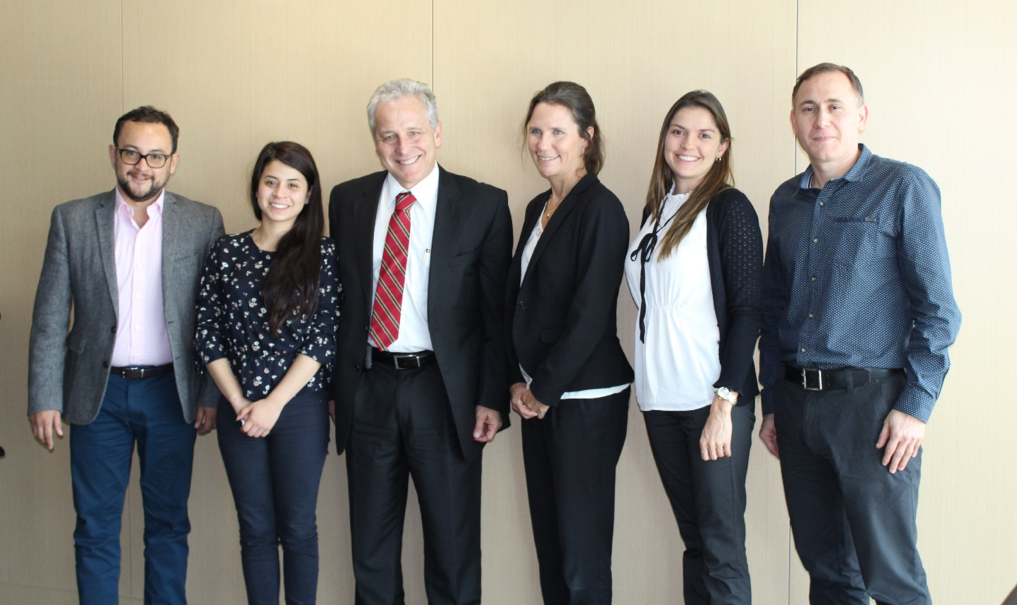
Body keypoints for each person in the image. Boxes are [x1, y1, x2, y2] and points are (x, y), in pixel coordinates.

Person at [758, 63, 962, 604]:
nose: (820, 119)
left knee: (890, 576)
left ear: (861, 117)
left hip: (873, 410)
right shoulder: (784, 201)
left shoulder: (903, 186)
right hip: (798, 408)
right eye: (808, 108)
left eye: (834, 106)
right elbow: (773, 307)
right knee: (827, 574)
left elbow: (939, 310)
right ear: (794, 122)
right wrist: (772, 404)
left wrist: (916, 406)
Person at [27, 106, 224, 604]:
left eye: (155, 155)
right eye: (132, 152)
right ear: (114, 154)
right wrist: (44, 396)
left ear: (172, 162)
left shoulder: (203, 222)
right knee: (94, 528)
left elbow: (212, 320)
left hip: (170, 395)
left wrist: (209, 394)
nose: (143, 165)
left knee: (168, 526)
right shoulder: (72, 219)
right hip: (99, 395)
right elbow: (51, 317)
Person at [328, 78, 512, 605]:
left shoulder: (483, 204)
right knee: (371, 550)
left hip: (445, 394)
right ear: (375, 141)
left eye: (413, 132)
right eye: (389, 136)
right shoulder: (349, 201)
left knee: (453, 551)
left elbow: (494, 318)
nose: (403, 147)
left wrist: (491, 398)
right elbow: (338, 304)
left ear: (437, 132)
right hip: (369, 389)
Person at [625, 90, 762, 604]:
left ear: (723, 146)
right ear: (664, 139)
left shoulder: (729, 207)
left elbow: (749, 309)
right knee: (696, 543)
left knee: (722, 547)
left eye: (705, 134)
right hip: (660, 400)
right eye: (679, 131)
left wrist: (725, 402)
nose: (689, 144)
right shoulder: (656, 212)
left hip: (712, 403)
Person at [194, 141, 338, 604]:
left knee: (297, 527)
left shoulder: (324, 255)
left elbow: (323, 338)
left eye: (293, 184)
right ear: (257, 188)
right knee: (254, 528)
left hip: (299, 411)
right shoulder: (225, 253)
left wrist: (273, 405)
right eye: (271, 181)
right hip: (239, 413)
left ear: (309, 193)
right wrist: (239, 404)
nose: (281, 193)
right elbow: (207, 334)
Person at [506, 81, 633, 605]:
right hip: (539, 398)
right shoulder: (539, 205)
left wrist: (543, 390)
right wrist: (516, 379)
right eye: (536, 130)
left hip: (584, 402)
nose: (543, 142)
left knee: (582, 558)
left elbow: (589, 315)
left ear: (587, 137)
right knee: (552, 551)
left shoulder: (602, 209)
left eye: (558, 131)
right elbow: (519, 303)